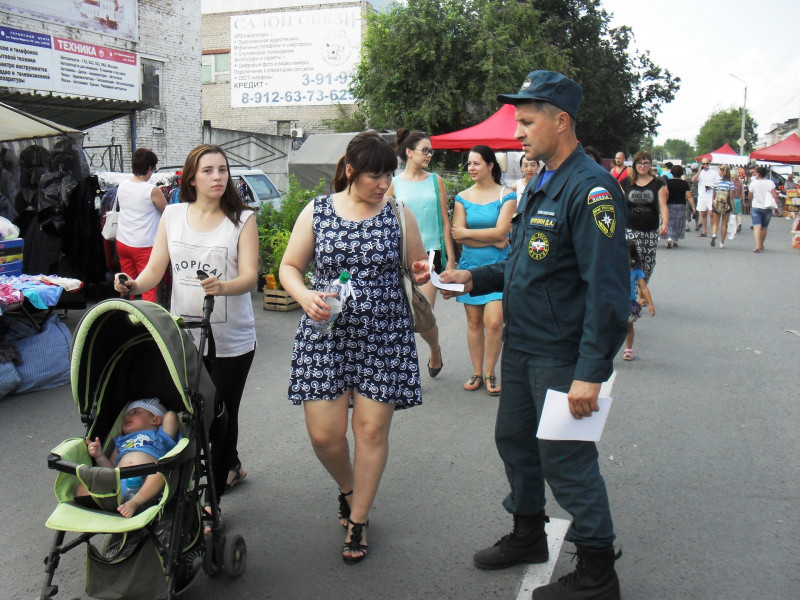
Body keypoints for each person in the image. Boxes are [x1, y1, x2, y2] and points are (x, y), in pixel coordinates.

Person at [430, 71, 628, 599]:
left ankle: (597, 571)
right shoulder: (542, 183)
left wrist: (591, 372)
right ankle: (528, 534)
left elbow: (608, 292)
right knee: (515, 443)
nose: (517, 132)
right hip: (521, 347)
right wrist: (472, 278)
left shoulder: (590, 189)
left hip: (561, 355)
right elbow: (524, 265)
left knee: (566, 459)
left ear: (561, 121)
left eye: (526, 121)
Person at [279, 131, 428, 564]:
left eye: (388, 176)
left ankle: (358, 519)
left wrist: (423, 272)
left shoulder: (398, 214)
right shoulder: (318, 211)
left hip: (384, 337)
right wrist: (304, 295)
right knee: (325, 435)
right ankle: (349, 489)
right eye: (374, 176)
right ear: (350, 171)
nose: (383, 184)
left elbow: (419, 267)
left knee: (370, 432)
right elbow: (289, 266)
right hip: (327, 335)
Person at [114, 144, 258, 503]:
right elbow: (155, 269)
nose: (217, 177)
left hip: (232, 339)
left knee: (222, 414)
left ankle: (212, 502)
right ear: (191, 178)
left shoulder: (242, 219)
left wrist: (223, 287)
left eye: (222, 170)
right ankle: (229, 465)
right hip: (185, 337)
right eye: (208, 170)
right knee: (194, 412)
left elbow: (250, 277)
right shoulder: (173, 215)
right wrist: (132, 284)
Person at [387, 129, 454, 378]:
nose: (429, 155)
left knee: (423, 312)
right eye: (425, 150)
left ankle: (434, 349)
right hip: (401, 256)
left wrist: (451, 259)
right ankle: (405, 369)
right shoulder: (394, 183)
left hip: (430, 254)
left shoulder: (436, 181)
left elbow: (445, 222)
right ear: (409, 152)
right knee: (401, 315)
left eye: (431, 151)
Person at [451, 145, 516, 396]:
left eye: (476, 163)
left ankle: (491, 372)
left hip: (498, 269)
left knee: (495, 321)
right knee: (474, 322)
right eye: (469, 163)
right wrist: (491, 239)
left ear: (490, 165)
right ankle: (477, 372)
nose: (471, 168)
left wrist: (472, 234)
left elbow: (502, 232)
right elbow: (458, 236)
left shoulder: (506, 196)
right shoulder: (462, 197)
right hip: (469, 267)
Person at [76, 398, 179, 518]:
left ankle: (135, 502)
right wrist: (99, 456)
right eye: (127, 414)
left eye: (135, 412)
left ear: (155, 420)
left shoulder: (161, 436)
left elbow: (171, 416)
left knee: (161, 473)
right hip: (119, 484)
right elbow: (111, 469)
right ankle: (113, 503)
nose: (127, 416)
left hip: (147, 481)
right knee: (83, 485)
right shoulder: (121, 441)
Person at [115, 148, 167, 302]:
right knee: (148, 285)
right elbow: (167, 212)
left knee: (125, 283)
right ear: (149, 168)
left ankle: (125, 310)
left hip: (123, 241)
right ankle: (147, 315)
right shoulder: (151, 190)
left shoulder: (122, 185)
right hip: (144, 244)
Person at [621, 150, 668, 282]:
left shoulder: (658, 184)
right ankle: (634, 290)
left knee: (648, 263)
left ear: (650, 165)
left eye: (646, 163)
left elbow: (663, 205)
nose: (642, 166)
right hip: (631, 228)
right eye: (639, 163)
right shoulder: (626, 183)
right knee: (634, 260)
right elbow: (618, 203)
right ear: (634, 165)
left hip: (650, 230)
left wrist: (665, 223)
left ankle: (642, 287)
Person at [622, 241, 655, 361]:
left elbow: (644, 287)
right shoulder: (615, 267)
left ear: (632, 256)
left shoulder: (636, 270)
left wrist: (650, 304)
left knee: (629, 325)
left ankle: (628, 349)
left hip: (629, 302)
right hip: (616, 301)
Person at [748, 166, 779, 252]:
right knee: (764, 227)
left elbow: (749, 197)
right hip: (767, 208)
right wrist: (776, 207)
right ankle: (761, 244)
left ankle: (757, 245)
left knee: (757, 227)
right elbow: (775, 196)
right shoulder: (770, 183)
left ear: (758, 174)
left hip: (756, 207)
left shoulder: (753, 184)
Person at [663, 165, 694, 248]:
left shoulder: (667, 182)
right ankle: (676, 240)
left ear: (671, 172)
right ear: (681, 173)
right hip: (681, 205)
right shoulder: (684, 183)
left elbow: (664, 193)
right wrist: (693, 207)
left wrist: (662, 204)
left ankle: (669, 238)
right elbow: (689, 196)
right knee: (679, 222)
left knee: (670, 222)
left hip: (669, 204)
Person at [692, 158, 719, 237]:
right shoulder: (700, 172)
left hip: (711, 195)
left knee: (711, 213)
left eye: (707, 163)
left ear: (709, 164)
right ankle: (704, 231)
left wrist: (711, 187)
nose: (705, 165)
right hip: (702, 195)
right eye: (703, 164)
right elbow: (693, 180)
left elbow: (718, 182)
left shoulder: (713, 172)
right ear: (701, 164)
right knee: (703, 214)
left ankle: (713, 232)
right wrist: (699, 171)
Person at [710, 164, 734, 248]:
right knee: (724, 224)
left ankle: (714, 234)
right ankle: (722, 243)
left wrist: (712, 204)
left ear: (721, 171)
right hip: (726, 205)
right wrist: (732, 208)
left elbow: (713, 195)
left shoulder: (716, 182)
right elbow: (731, 197)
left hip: (717, 204)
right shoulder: (730, 183)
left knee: (715, 223)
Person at [731, 168, 744, 233]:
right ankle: (739, 223)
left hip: (732, 199)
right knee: (738, 213)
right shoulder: (740, 181)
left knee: (733, 214)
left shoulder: (731, 182)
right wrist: (743, 200)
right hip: (738, 199)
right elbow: (743, 192)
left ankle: (734, 226)